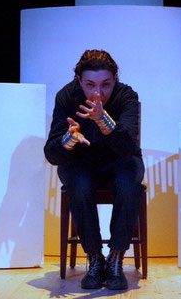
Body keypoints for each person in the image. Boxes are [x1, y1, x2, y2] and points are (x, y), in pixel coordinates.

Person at [44, 49, 145, 290]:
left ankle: (116, 258)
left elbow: (128, 147)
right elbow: (52, 154)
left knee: (129, 179)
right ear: (79, 80)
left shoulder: (127, 96)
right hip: (80, 162)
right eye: (90, 85)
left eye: (105, 84)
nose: (98, 93)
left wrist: (102, 119)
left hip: (119, 161)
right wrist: (68, 139)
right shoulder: (66, 96)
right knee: (78, 184)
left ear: (115, 79)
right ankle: (95, 258)